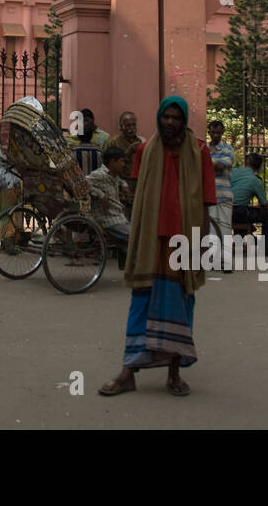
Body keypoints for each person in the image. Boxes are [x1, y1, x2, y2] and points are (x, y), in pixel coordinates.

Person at [100, 96, 215, 399]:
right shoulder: (144, 151)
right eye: (166, 117)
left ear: (184, 120)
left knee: (180, 301)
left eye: (176, 117)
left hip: (183, 243)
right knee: (142, 300)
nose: (170, 122)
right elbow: (140, 200)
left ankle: (174, 373)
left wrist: (203, 244)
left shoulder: (200, 151)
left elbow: (205, 202)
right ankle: (128, 372)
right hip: (152, 240)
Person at [85, 146, 132, 246]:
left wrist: (124, 186)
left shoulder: (113, 174)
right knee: (136, 237)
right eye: (121, 161)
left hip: (118, 216)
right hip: (108, 220)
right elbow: (83, 183)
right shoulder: (99, 174)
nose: (123, 165)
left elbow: (119, 180)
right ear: (112, 162)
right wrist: (101, 195)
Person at [230, 152, 268, 254]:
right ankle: (265, 249)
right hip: (239, 213)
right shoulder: (256, 181)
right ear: (259, 167)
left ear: (246, 162)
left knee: (247, 211)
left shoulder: (233, 171)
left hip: (226, 210)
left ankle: (243, 239)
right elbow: (264, 204)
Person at [207, 120, 235, 271]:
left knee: (224, 229)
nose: (216, 135)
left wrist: (206, 161)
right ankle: (213, 260)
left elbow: (220, 166)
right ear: (209, 132)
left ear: (222, 133)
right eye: (213, 132)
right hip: (209, 195)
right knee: (211, 229)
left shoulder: (228, 149)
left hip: (224, 195)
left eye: (219, 132)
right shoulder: (203, 148)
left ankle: (226, 261)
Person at [0, 121, 24, 245]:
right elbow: (13, 160)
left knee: (12, 212)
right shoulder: (0, 147)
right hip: (8, 185)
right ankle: (8, 241)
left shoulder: (0, 145)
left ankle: (12, 239)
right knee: (8, 213)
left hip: (10, 184)